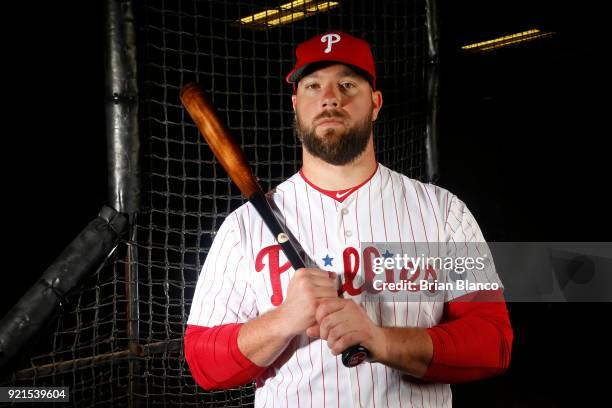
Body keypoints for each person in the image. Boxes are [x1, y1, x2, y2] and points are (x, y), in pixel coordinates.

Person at [184, 31, 512, 407]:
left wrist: (382, 341)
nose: (330, 98)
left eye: (347, 84)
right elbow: (203, 362)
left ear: (375, 103)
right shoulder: (244, 227)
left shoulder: (442, 212)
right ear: (295, 103)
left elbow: (493, 341)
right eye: (313, 85)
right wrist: (285, 320)